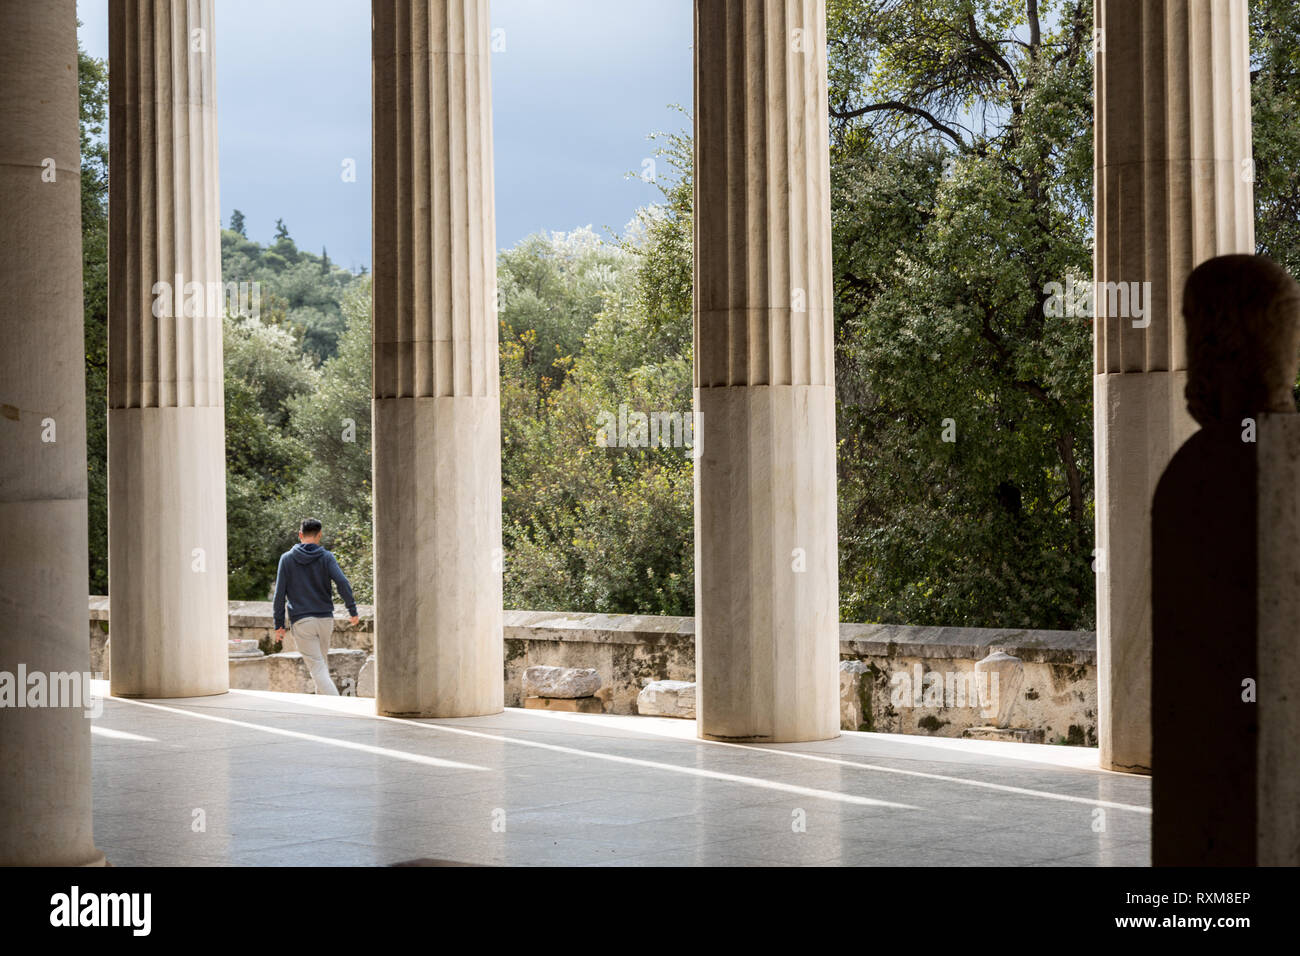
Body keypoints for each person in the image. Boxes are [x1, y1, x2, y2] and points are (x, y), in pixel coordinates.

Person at [272, 518, 360, 696]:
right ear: (319, 535)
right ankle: (324, 709)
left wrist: (279, 624)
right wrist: (352, 610)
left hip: (302, 621)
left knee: (318, 668)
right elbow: (342, 583)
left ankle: (338, 707)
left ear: (300, 535)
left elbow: (279, 595)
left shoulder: (287, 559)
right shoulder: (326, 557)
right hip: (325, 620)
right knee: (321, 665)